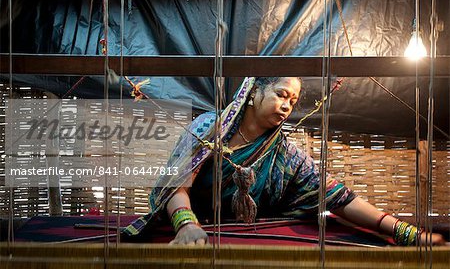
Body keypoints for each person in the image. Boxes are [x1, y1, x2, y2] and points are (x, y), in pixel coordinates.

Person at [124, 77, 446, 246]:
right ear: (254, 92)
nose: (287, 105)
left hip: (247, 247)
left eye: (292, 100)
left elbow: (339, 198)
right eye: (281, 94)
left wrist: (404, 232)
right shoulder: (207, 128)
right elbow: (176, 185)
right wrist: (187, 225)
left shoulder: (286, 155)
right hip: (190, 237)